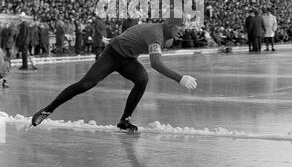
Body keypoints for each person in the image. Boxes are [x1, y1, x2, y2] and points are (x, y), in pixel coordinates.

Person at [31, 18, 198, 132]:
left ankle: (124, 120)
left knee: (142, 79)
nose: (183, 31)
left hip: (127, 58)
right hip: (112, 55)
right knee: (85, 85)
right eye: (180, 27)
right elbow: (156, 63)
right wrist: (180, 78)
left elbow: (137, 34)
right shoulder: (157, 34)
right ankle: (46, 111)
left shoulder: (165, 36)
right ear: (169, 26)